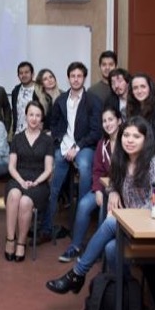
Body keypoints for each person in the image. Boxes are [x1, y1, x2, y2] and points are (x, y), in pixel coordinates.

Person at [46, 117, 155, 294]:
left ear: (146, 140)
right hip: (134, 226)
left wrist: (124, 218)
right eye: (126, 135)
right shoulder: (122, 161)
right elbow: (114, 180)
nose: (129, 140)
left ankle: (77, 274)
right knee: (110, 249)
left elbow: (154, 205)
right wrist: (113, 191)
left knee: (109, 222)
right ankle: (126, 296)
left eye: (136, 136)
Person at [41, 61, 102, 243]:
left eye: (79, 76)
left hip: (84, 147)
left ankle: (80, 222)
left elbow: (95, 132)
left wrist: (77, 147)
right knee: (53, 184)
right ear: (68, 78)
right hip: (63, 146)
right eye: (72, 76)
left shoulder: (93, 101)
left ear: (84, 78)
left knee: (84, 168)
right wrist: (61, 142)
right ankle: (46, 228)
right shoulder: (60, 100)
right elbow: (55, 125)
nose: (76, 79)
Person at [58, 107, 122, 263]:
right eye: (104, 121)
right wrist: (98, 190)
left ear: (119, 121)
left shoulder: (127, 141)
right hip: (104, 186)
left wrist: (113, 190)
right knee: (84, 204)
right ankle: (75, 246)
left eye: (111, 119)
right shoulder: (102, 143)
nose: (107, 124)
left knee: (104, 211)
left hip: (120, 191)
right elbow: (97, 170)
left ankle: (98, 251)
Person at [4, 101, 53, 263]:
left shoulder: (47, 140)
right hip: (18, 177)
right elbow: (11, 166)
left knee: (25, 201)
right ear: (25, 116)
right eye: (31, 114)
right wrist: (21, 181)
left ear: (42, 118)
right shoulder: (17, 138)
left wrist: (35, 182)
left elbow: (48, 169)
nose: (34, 118)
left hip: (39, 183)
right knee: (14, 195)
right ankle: (10, 239)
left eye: (38, 115)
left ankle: (21, 243)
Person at [10, 61, 44, 134]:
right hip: (18, 133)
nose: (23, 75)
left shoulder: (40, 89)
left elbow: (46, 110)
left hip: (36, 132)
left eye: (26, 72)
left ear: (32, 74)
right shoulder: (15, 91)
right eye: (21, 73)